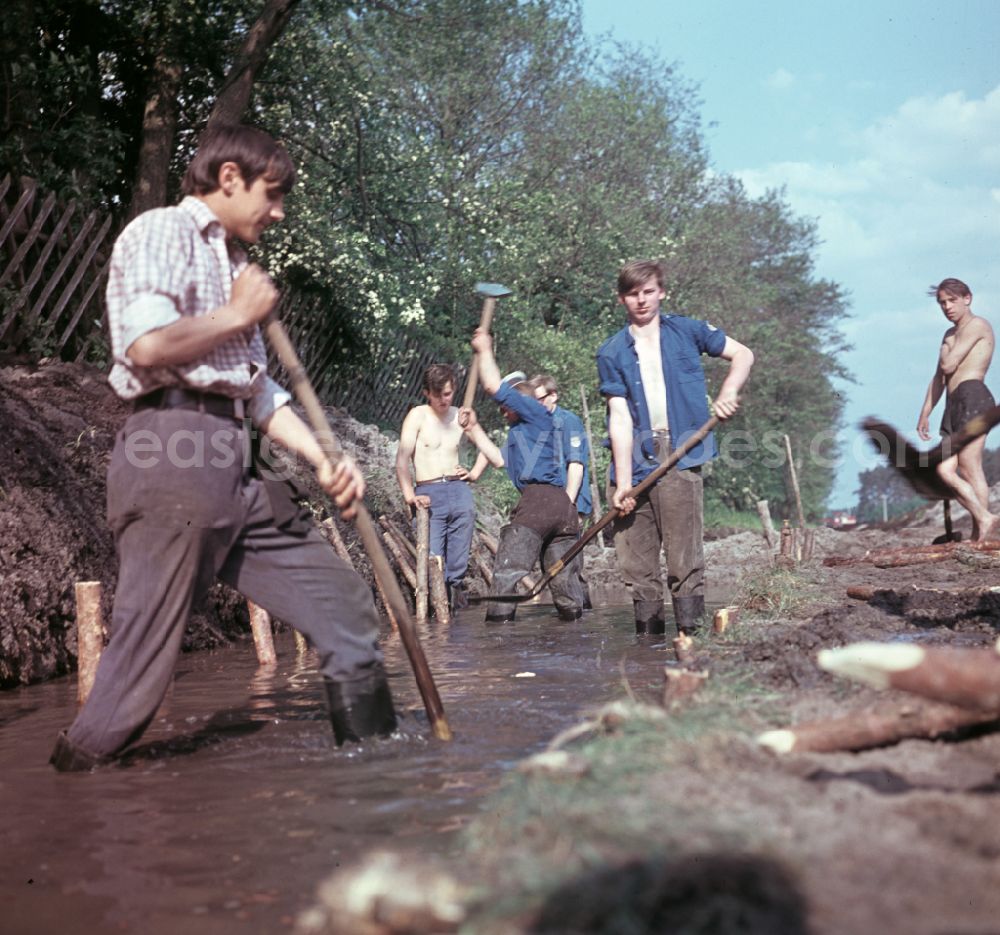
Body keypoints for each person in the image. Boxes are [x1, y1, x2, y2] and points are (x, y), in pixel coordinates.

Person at [49, 124, 397, 771]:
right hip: (169, 451)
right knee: (135, 680)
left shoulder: (236, 268)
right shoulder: (161, 234)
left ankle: (379, 781)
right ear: (230, 177)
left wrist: (323, 459)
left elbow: (258, 393)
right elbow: (145, 345)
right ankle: (65, 797)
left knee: (343, 608)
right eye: (273, 193)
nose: (280, 211)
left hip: (237, 466)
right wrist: (237, 315)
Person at [596, 259, 754, 637]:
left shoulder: (688, 331)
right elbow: (618, 417)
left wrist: (727, 392)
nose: (642, 300)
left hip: (682, 452)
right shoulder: (611, 352)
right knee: (637, 564)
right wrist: (621, 484)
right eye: (633, 294)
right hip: (634, 457)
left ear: (661, 292)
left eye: (648, 291)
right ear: (622, 299)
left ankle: (690, 640)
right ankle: (647, 647)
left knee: (684, 557)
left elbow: (743, 355)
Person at [469, 334, 584, 622]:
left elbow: (493, 386)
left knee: (508, 570)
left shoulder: (536, 412)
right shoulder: (519, 432)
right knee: (564, 583)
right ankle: (576, 633)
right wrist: (472, 428)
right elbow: (496, 459)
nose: (501, 410)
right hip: (560, 508)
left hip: (540, 503)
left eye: (506, 405)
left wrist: (485, 350)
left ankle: (497, 626)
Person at [395, 363, 503, 609]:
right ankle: (435, 616)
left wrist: (474, 472)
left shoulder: (460, 416)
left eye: (448, 393)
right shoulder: (418, 415)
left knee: (457, 564)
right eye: (438, 394)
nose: (444, 400)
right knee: (433, 559)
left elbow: (488, 449)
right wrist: (410, 496)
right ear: (427, 392)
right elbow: (401, 461)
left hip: (458, 492)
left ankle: (454, 621)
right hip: (429, 493)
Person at [916, 277, 998, 541]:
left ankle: (980, 533)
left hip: (973, 397)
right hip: (953, 405)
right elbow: (938, 378)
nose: (947, 307)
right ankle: (984, 519)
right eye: (942, 302)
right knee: (943, 469)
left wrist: (946, 350)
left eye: (952, 300)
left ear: (967, 298)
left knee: (970, 466)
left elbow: (948, 365)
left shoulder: (978, 325)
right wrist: (925, 412)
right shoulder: (949, 334)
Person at [530, 373, 593, 609]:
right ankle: (579, 611)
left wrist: (567, 505)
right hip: (550, 504)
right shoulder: (538, 425)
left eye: (539, 399)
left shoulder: (569, 422)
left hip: (570, 503)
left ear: (553, 396)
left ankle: (578, 616)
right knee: (557, 563)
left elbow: (575, 465)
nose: (535, 405)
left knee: (567, 562)